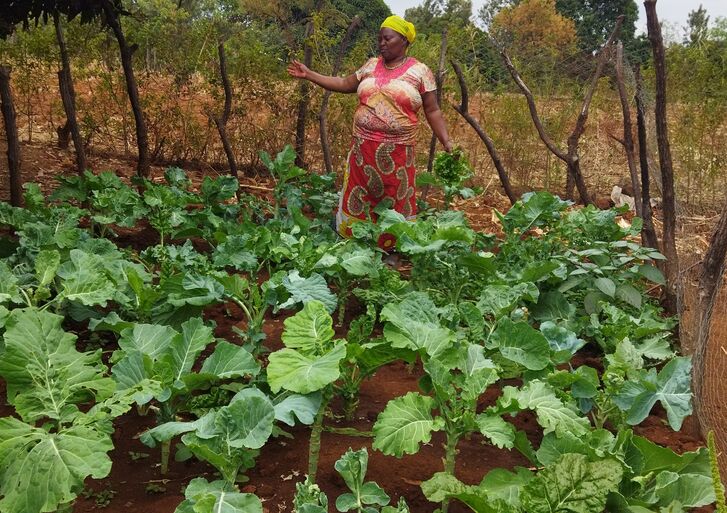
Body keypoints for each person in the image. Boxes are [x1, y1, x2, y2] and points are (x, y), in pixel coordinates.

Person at [287, 15, 452, 251]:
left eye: (387, 38)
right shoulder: (370, 65)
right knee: (360, 194)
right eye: (380, 39)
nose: (382, 43)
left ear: (403, 40)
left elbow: (433, 109)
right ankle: (356, 243)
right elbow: (344, 83)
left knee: (396, 199)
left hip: (397, 154)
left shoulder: (420, 72)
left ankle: (393, 249)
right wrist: (310, 74)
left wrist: (446, 140)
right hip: (363, 150)